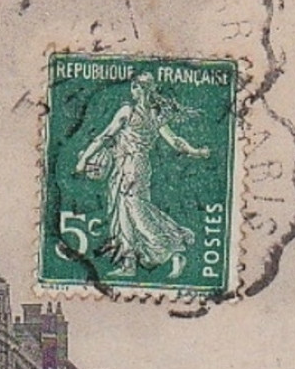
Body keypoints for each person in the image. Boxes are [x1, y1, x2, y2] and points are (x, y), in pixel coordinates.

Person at [72, 72, 212, 278]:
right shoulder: (156, 116)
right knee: (125, 214)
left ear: (140, 89)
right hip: (140, 166)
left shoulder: (127, 111)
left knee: (135, 212)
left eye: (135, 87)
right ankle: (129, 265)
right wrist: (195, 151)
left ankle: (173, 247)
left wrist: (84, 160)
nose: (133, 90)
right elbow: (175, 141)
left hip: (129, 167)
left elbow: (105, 136)